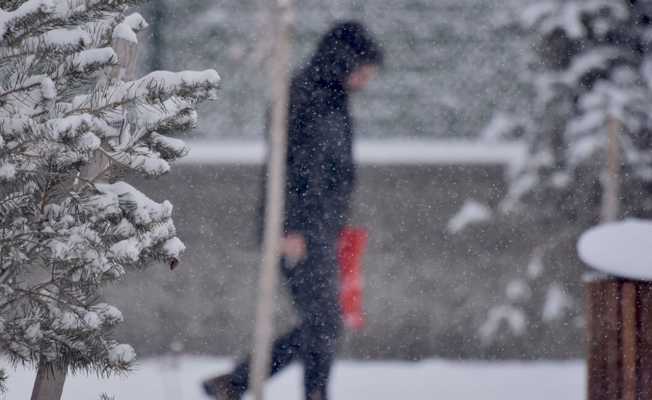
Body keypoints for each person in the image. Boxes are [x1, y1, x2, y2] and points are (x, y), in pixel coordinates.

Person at [203, 20, 383, 400]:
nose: (367, 80)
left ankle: (236, 384)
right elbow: (291, 168)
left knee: (324, 322)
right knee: (325, 321)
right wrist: (290, 228)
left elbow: (331, 170)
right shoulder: (305, 97)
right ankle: (252, 385)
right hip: (299, 231)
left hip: (322, 227)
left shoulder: (333, 98)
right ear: (345, 61)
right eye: (365, 70)